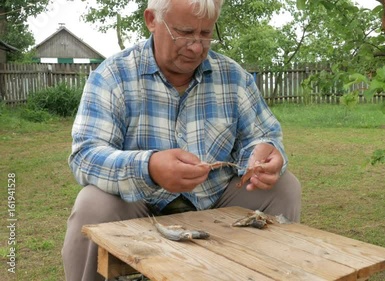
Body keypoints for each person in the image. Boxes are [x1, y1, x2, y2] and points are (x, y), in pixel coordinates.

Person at [62, 0, 301, 280]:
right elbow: (85, 156)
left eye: (205, 34)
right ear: (151, 20)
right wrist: (149, 168)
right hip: (138, 202)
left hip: (215, 199)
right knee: (93, 203)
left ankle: (264, 273)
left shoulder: (234, 77)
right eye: (185, 33)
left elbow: (263, 135)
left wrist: (266, 154)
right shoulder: (112, 76)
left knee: (283, 188)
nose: (197, 47)